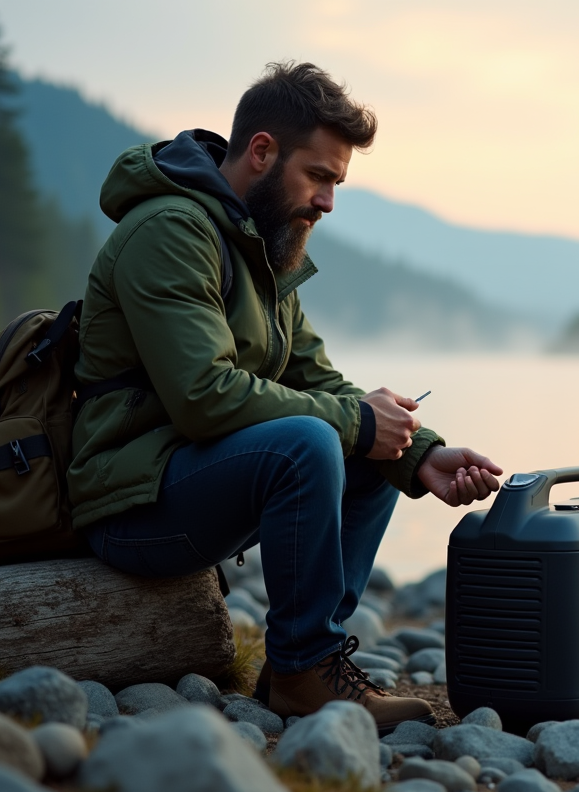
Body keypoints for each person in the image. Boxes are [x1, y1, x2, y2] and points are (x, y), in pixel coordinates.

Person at [69, 61, 502, 733]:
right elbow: (203, 398)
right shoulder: (171, 232)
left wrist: (417, 453)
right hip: (126, 503)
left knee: (371, 444)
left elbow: (317, 379)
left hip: (187, 478)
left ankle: (303, 664)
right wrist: (357, 422)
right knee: (317, 439)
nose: (328, 201)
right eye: (320, 176)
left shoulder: (257, 248)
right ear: (263, 151)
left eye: (337, 182)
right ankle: (304, 669)